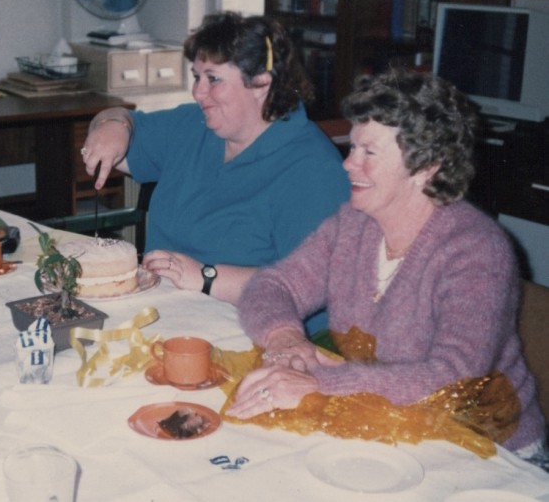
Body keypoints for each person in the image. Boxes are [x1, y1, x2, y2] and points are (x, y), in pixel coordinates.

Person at [229, 70, 547, 460]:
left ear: (426, 166)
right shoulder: (353, 223)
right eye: (352, 149)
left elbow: (453, 375)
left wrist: (316, 383)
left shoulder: (476, 250)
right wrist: (285, 339)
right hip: (387, 423)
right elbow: (273, 285)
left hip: (483, 448)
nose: (348, 164)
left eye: (369, 153)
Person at [81, 12, 349, 309]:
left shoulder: (313, 168)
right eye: (197, 77)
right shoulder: (193, 125)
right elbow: (122, 122)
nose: (198, 92)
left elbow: (317, 284)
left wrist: (206, 278)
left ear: (261, 83)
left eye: (213, 79)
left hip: (257, 329)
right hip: (164, 312)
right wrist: (113, 124)